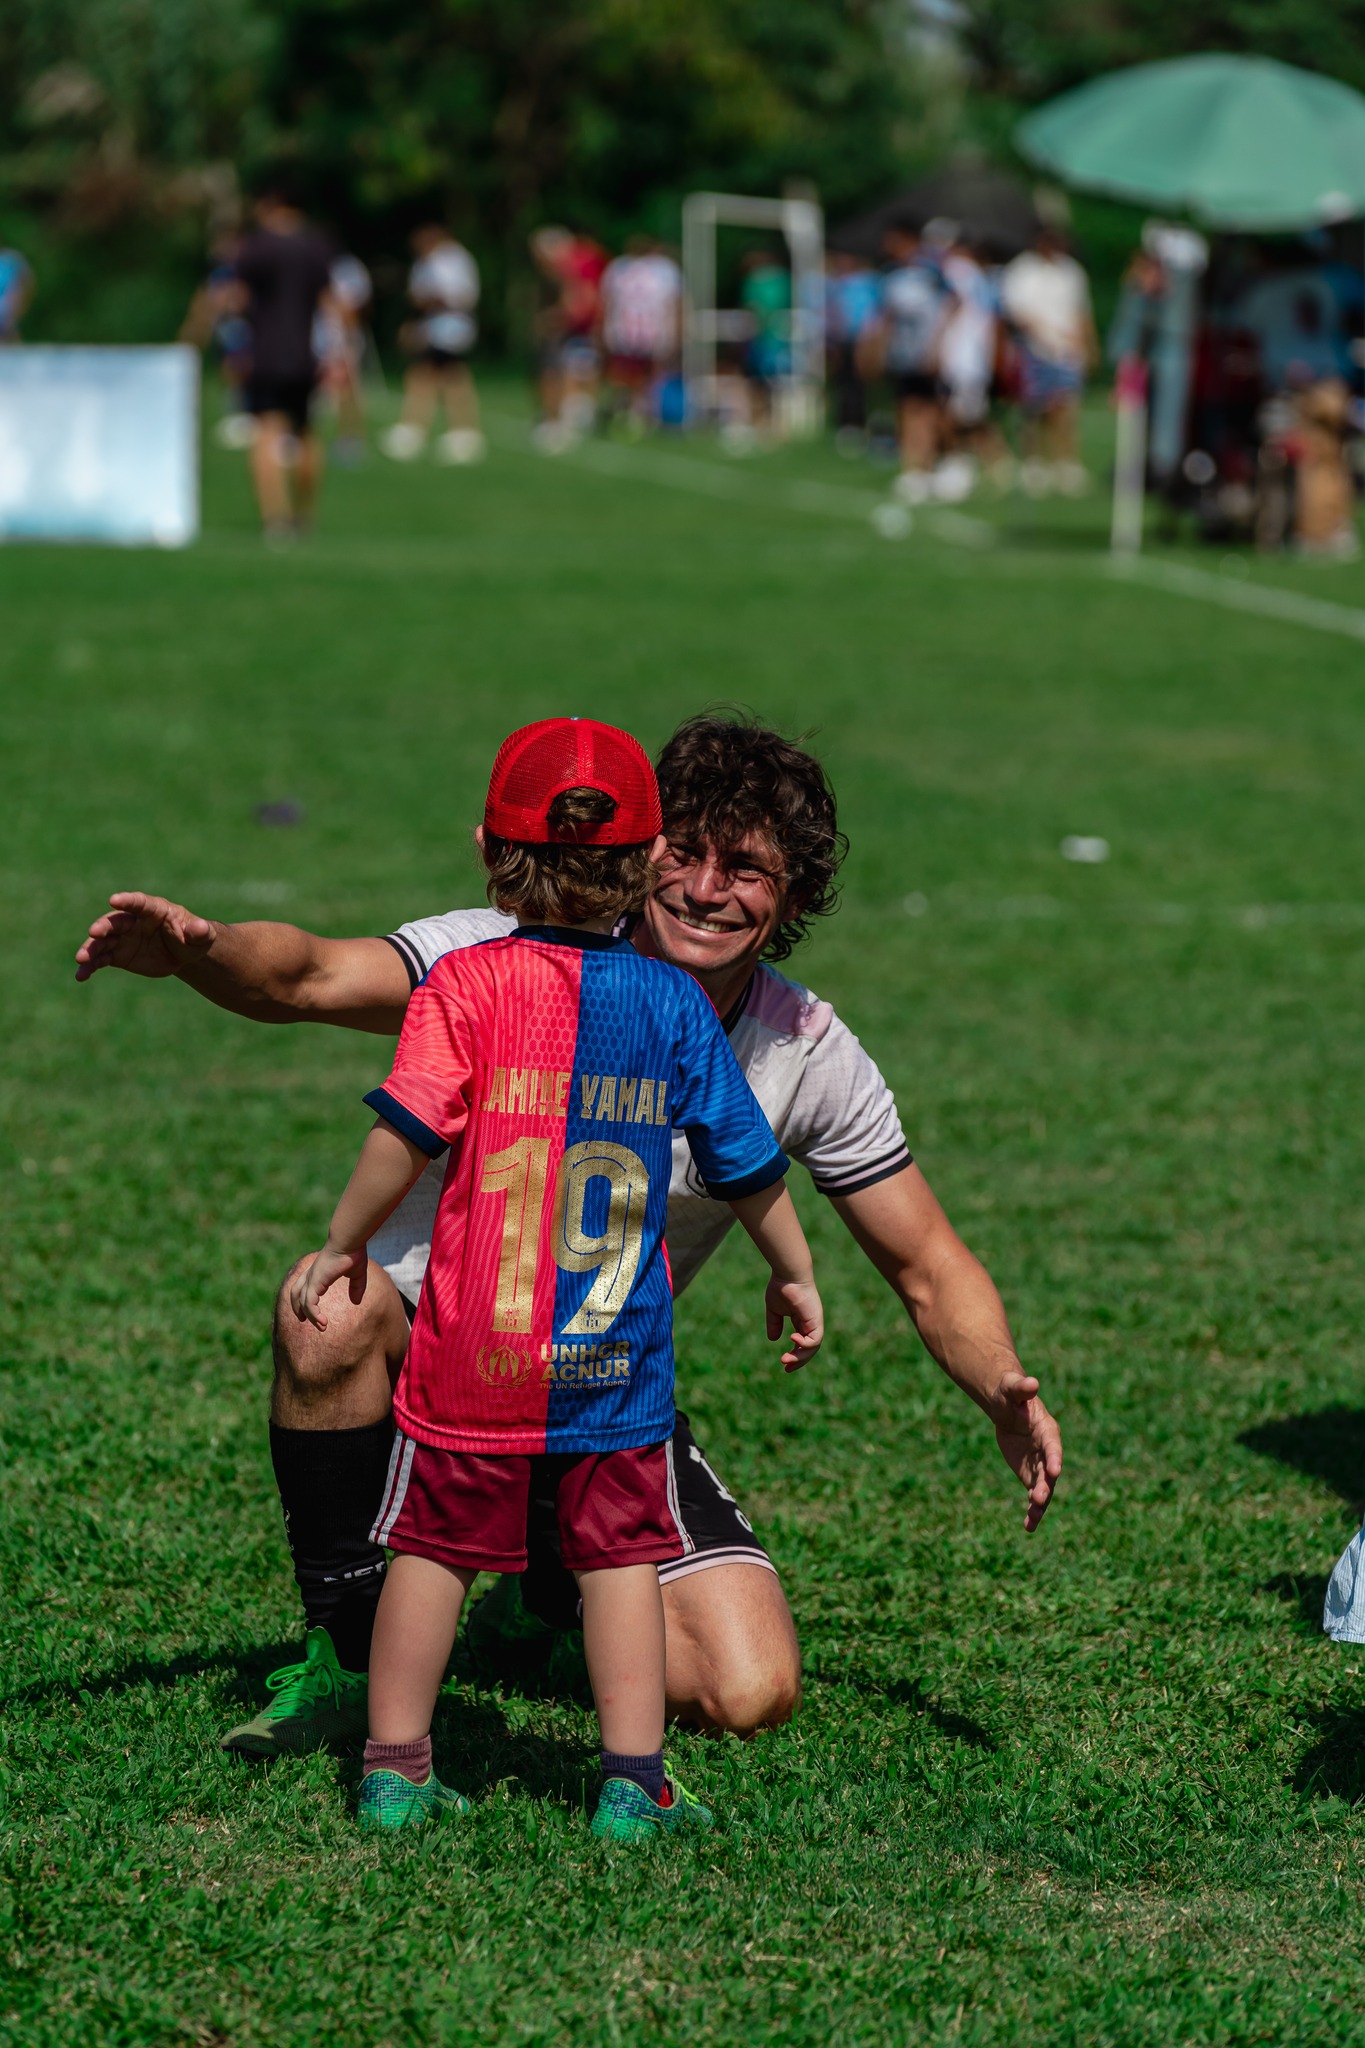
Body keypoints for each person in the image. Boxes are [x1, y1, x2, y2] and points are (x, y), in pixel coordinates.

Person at [74, 714, 1063, 1755]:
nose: (707, 887)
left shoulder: (805, 1049)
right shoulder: (493, 958)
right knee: (327, 1311)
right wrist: (203, 949)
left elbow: (928, 1263)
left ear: (795, 899)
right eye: (686, 851)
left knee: (748, 1686)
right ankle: (344, 1654)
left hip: (599, 1387)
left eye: (750, 869)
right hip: (448, 1351)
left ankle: (546, 1593)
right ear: (638, 850)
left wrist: (1000, 1381)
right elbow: (311, 973)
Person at [294, 717, 822, 1836]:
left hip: (474, 1345)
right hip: (612, 1358)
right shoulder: (676, 1003)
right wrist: (797, 1270)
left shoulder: (466, 985)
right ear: (644, 867)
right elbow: (747, 1162)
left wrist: (346, 1239)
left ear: (490, 850)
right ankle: (634, 1784)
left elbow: (402, 1132)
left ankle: (395, 1767)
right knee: (620, 1562)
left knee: (430, 1553)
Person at [233, 185, 335, 540]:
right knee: (306, 433)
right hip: (306, 356)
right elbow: (329, 303)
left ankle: (276, 519)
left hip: (266, 355)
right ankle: (304, 516)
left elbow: (236, 299)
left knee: (267, 433)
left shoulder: (257, 247)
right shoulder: (316, 246)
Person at [1000, 225, 1098, 497]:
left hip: (1067, 350)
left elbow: (1081, 312)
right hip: (1034, 349)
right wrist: (1046, 335)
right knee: (1032, 409)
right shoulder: (1021, 271)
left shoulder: (1072, 272)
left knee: (1065, 407)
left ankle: (1066, 463)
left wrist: (1088, 346)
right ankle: (1033, 463)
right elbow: (1017, 312)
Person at [381, 225, 485, 466]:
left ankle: (458, 429)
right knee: (426, 375)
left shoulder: (452, 259)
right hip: (434, 328)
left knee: (447, 376)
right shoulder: (427, 261)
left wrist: (428, 302)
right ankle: (421, 427)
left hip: (451, 329)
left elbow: (458, 296)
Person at [874, 223, 955, 505]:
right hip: (902, 354)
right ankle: (912, 468)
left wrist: (937, 346)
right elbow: (886, 316)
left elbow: (952, 305)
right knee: (907, 407)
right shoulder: (890, 276)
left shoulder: (931, 272)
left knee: (932, 410)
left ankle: (933, 463)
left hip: (927, 353)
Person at [530, 227, 608, 450]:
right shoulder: (584, 259)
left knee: (561, 372)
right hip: (584, 327)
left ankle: (560, 423)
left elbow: (582, 301)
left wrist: (554, 319)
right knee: (575, 372)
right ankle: (565, 419)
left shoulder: (574, 264)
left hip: (579, 329)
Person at [598, 236, 682, 434]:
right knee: (634, 376)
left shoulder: (621, 268)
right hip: (644, 331)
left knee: (638, 376)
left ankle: (640, 413)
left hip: (633, 331)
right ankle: (634, 412)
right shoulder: (662, 270)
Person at [317, 252, 373, 464]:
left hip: (340, 338)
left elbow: (352, 308)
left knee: (346, 389)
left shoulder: (348, 267)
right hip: (321, 336)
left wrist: (346, 344)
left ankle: (350, 440)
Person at [0, 242, 34, 343]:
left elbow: (28, 282)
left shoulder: (11, 259)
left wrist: (21, 305)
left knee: (8, 334)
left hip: (7, 308)